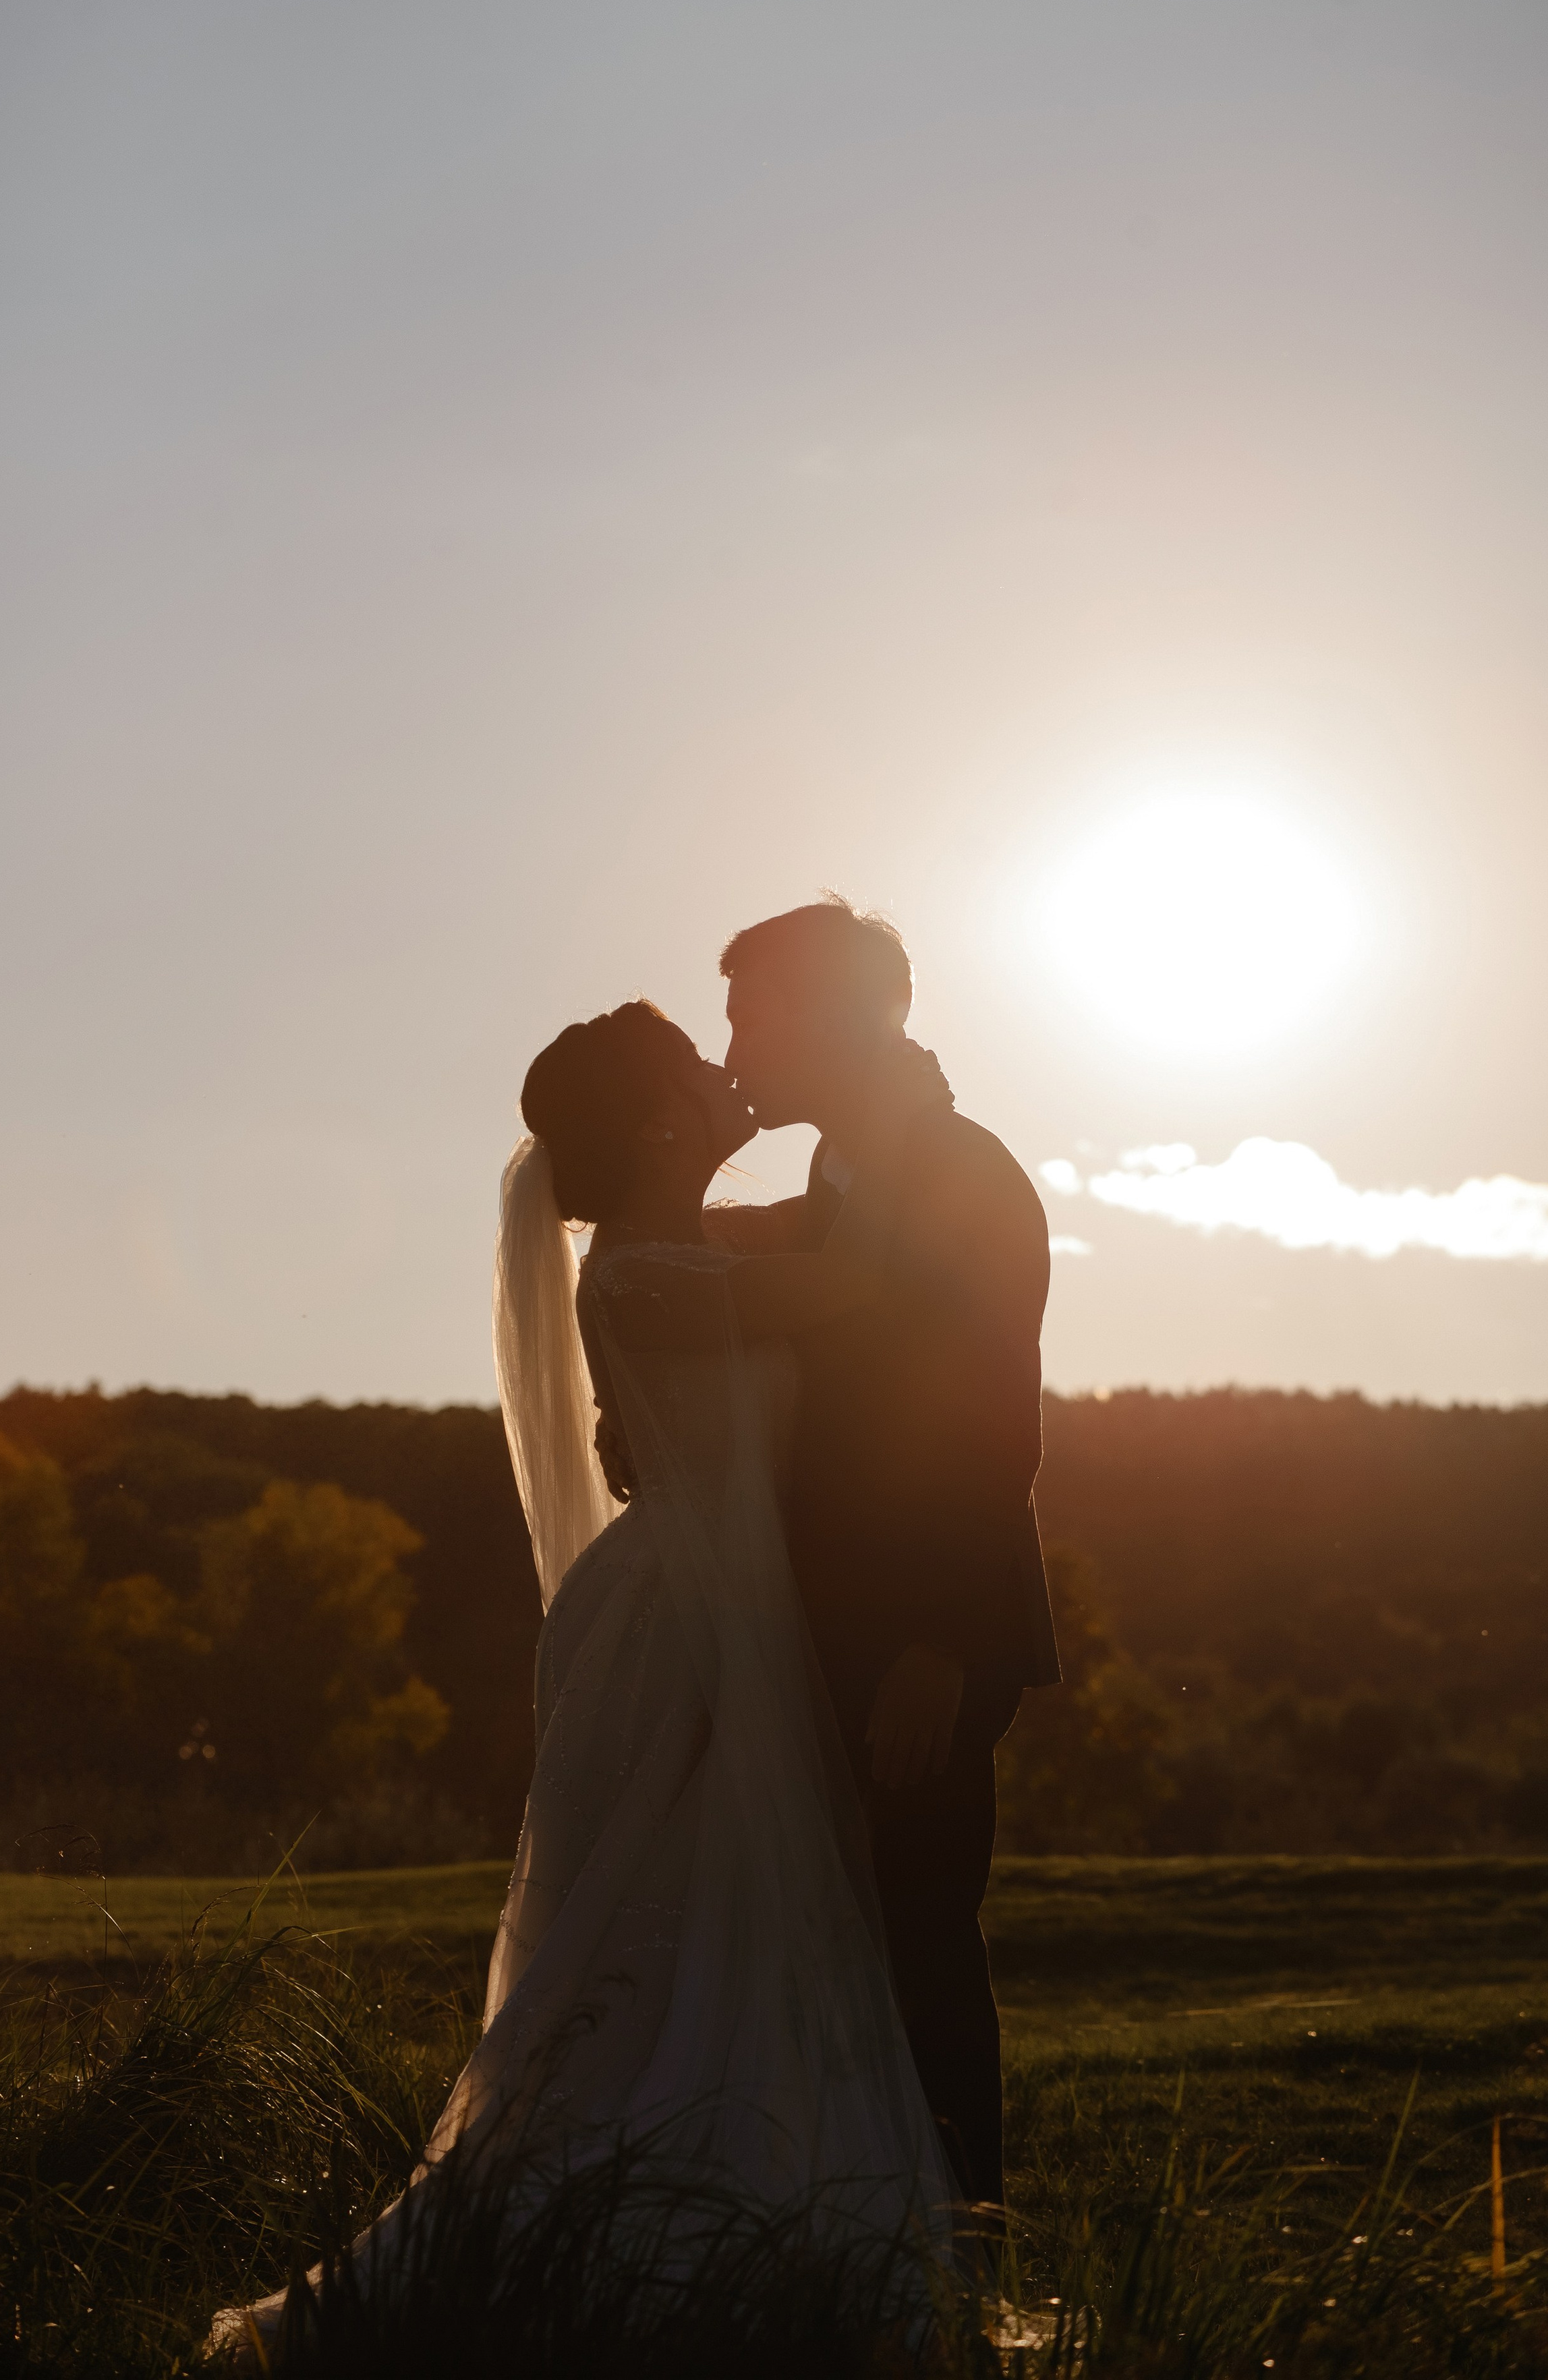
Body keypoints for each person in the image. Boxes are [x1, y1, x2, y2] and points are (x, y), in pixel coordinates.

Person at [213, 999, 961, 2367]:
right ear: (659, 1118)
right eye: (694, 1064)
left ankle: (745, 2213)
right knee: (665, 1925)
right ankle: (624, 2239)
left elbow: (803, 1263)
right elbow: (861, 1278)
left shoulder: (680, 1251)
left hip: (727, 1611)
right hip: (681, 1630)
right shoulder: (636, 1277)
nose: (722, 1070)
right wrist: (901, 1120)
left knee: (729, 1925)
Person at [672, 899, 1059, 2210]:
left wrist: (941, 1648)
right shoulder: (846, 1178)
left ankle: (963, 2251)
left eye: (747, 1015)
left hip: (921, 1634)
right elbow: (787, 1282)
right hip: (835, 1617)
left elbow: (985, 1422)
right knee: (836, 1942)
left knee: (914, 1946)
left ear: (835, 1016)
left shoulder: (956, 1174)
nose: (731, 1048)